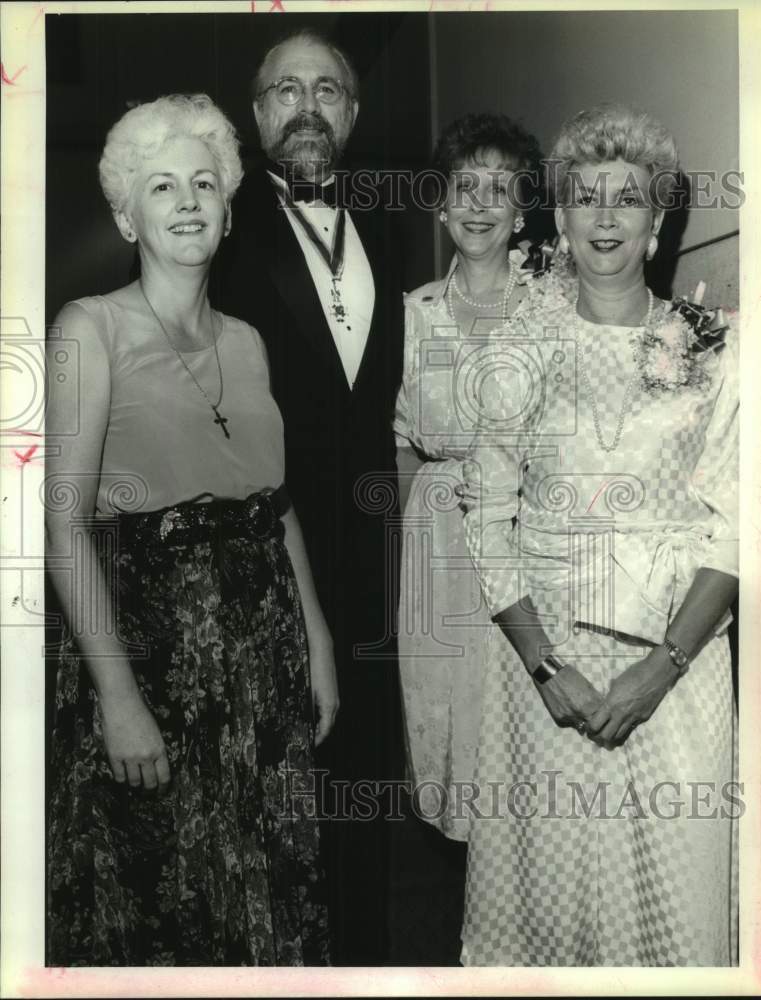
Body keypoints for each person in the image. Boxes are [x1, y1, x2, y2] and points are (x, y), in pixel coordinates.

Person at [45, 94, 337, 966]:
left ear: (228, 206)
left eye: (204, 183)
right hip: (150, 655)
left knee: (269, 894)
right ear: (125, 214)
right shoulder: (88, 329)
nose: (185, 201)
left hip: (263, 649)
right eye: (160, 185)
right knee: (162, 907)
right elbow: (61, 529)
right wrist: (118, 697)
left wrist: (316, 641)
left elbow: (272, 505)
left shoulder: (247, 341)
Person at [461, 103, 739, 966]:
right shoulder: (518, 342)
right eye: (586, 197)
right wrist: (545, 663)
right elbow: (484, 511)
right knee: (549, 902)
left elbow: (737, 526)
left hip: (676, 665)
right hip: (548, 672)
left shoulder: (711, 347)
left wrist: (663, 665)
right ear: (561, 217)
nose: (606, 216)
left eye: (628, 198)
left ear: (657, 222)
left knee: (668, 893)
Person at [211, 29, 404, 965]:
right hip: (263, 542)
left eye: (328, 90)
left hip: (377, 550)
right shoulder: (217, 224)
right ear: (256, 115)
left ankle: (362, 958)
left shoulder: (395, 221)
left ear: (354, 114)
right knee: (270, 786)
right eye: (285, 90)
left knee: (364, 772)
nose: (307, 107)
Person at [395, 113, 542, 842]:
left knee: (526, 722)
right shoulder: (411, 317)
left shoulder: (553, 306)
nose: (479, 205)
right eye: (464, 187)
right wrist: (402, 556)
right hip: (437, 544)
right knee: (454, 724)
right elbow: (395, 444)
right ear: (440, 203)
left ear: (521, 212)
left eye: (499, 189)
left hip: (527, 538)